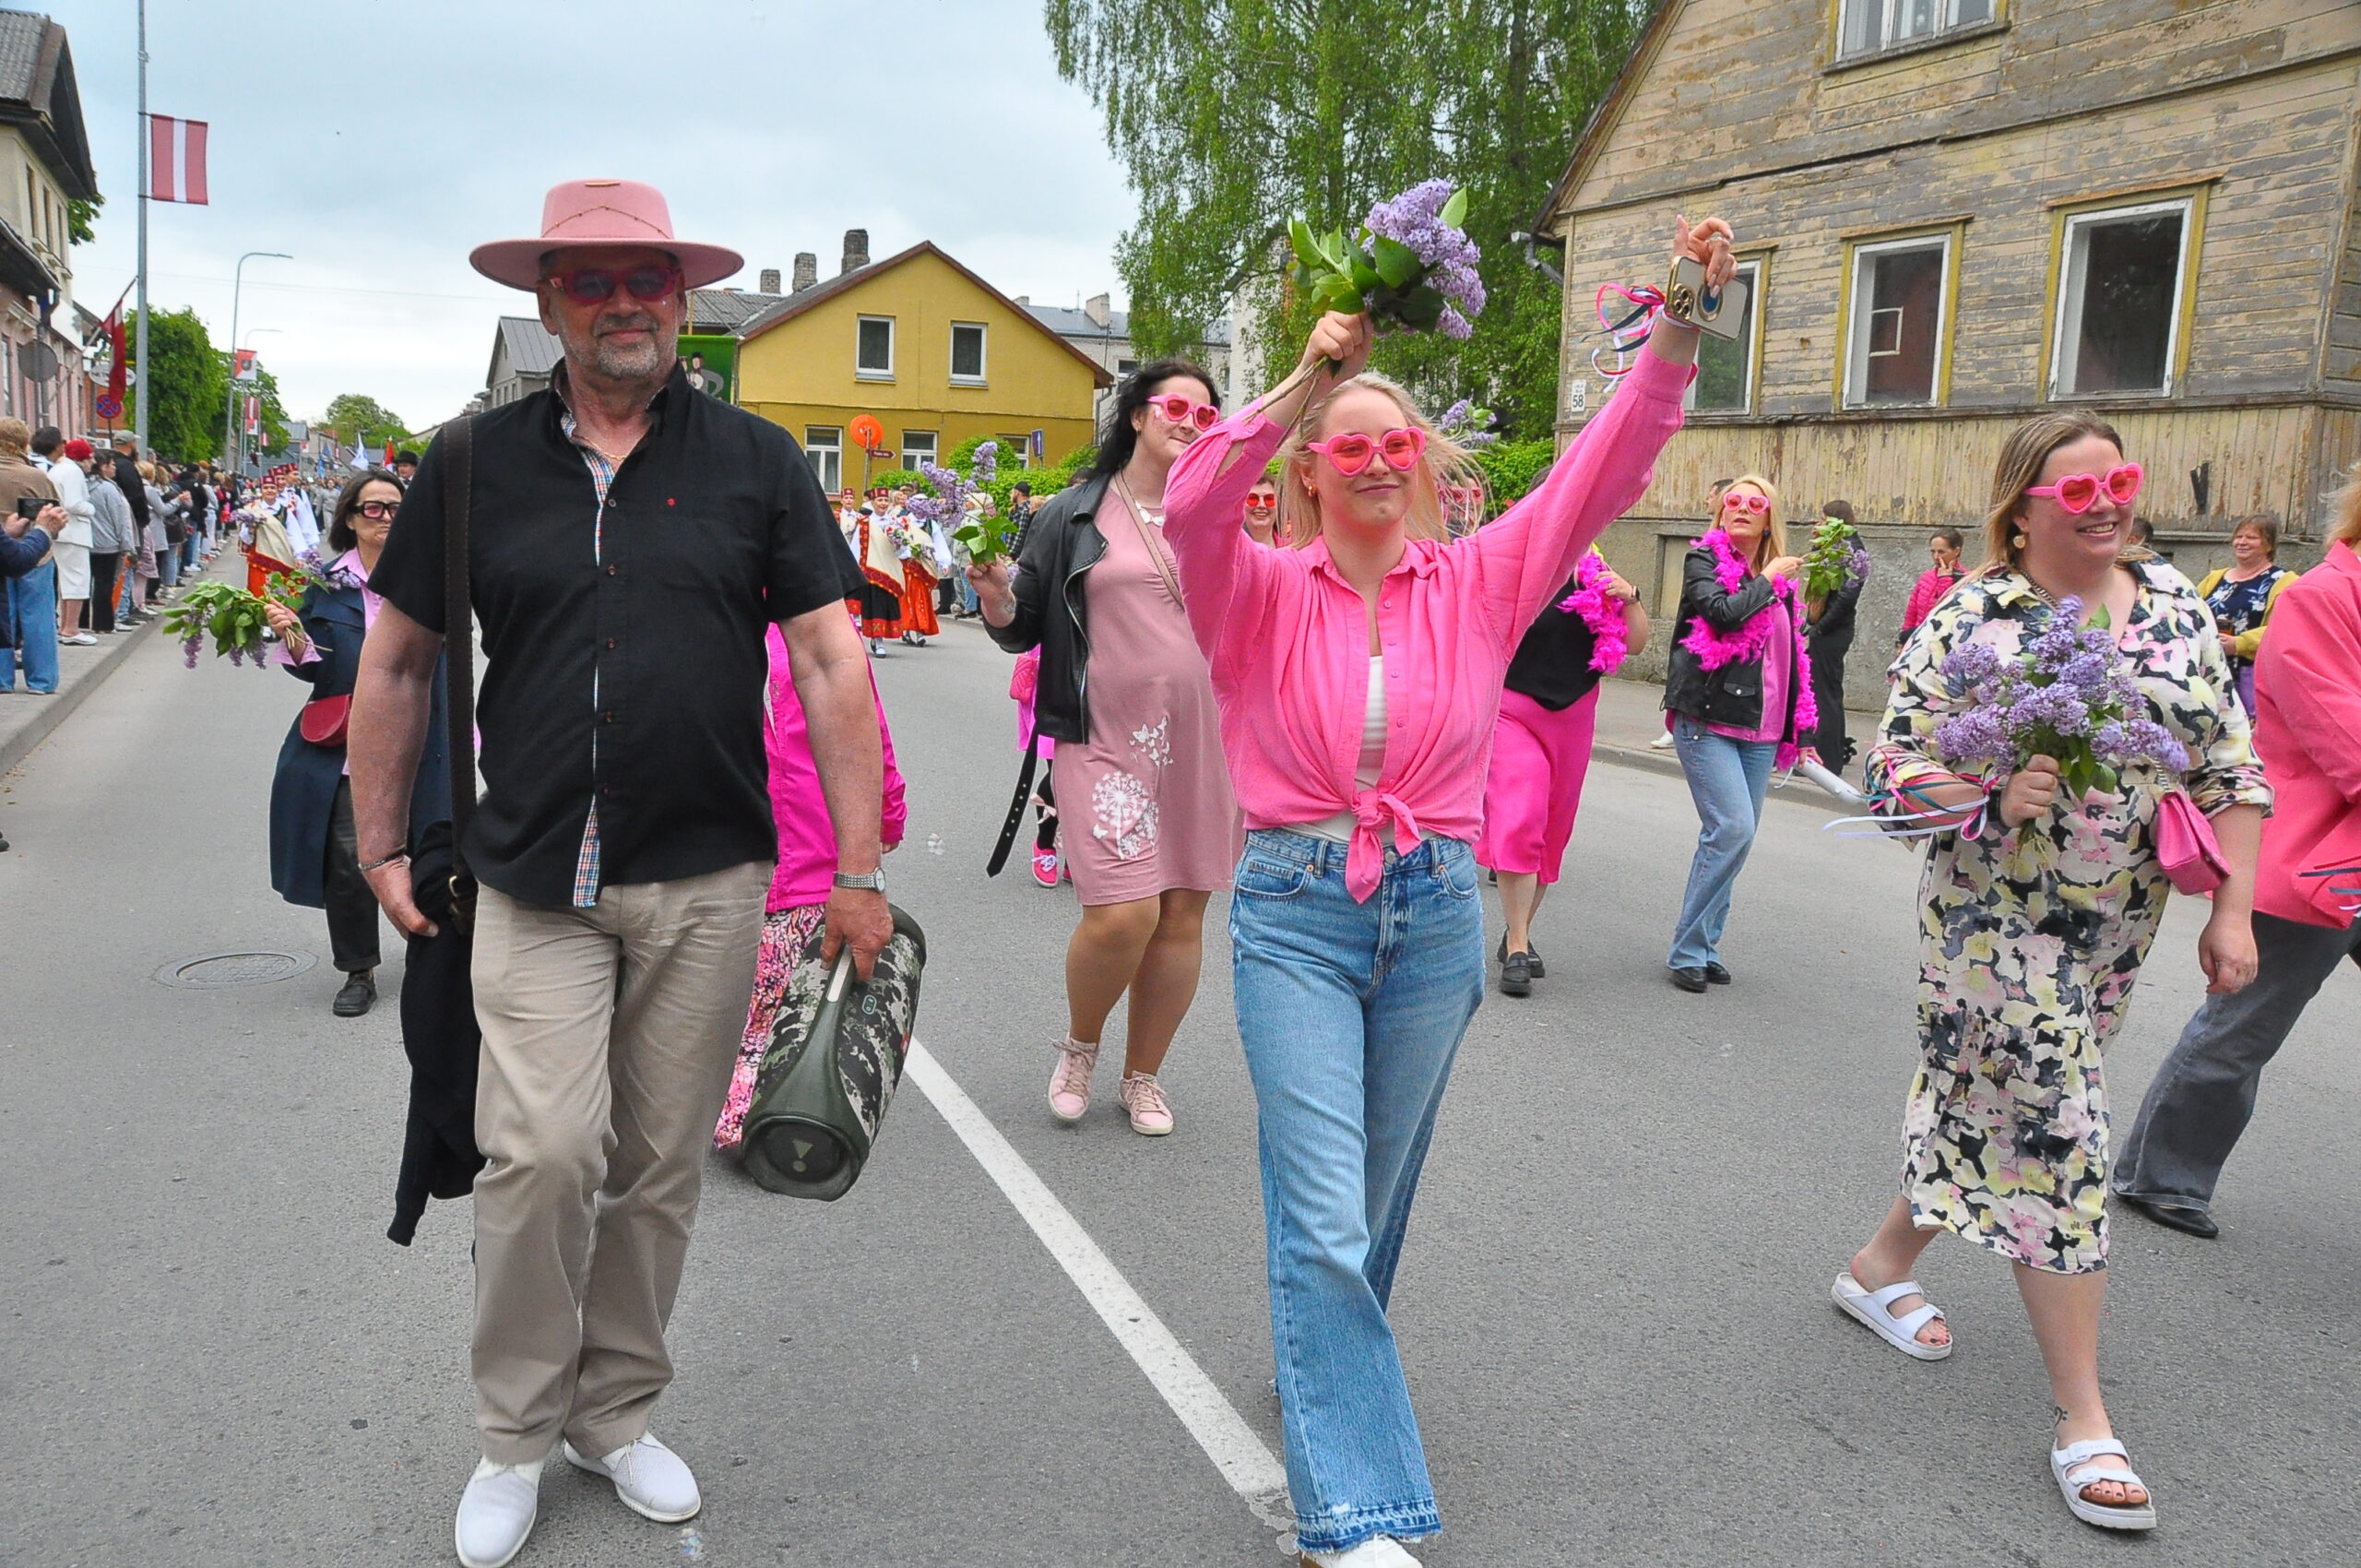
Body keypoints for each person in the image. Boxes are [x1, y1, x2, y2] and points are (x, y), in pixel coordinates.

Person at [1159, 215, 1726, 1568]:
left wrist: (1680, 328)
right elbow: (1188, 500)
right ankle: (1353, 1513)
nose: (1373, 460)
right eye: (1345, 445)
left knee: (1368, 1199)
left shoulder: (1478, 582)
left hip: (1430, 909)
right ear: (1309, 470)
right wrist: (1308, 375)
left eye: (1393, 442)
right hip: (1295, 907)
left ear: (1421, 461)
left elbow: (1600, 471)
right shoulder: (1253, 591)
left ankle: (1316, 1369)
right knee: (1319, 1207)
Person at [346, 178, 884, 1568]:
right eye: (590, 282)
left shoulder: (758, 461)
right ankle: (514, 1433)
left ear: (683, 300)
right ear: (548, 304)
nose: (622, 303)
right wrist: (379, 841)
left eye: (646, 278)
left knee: (656, 1166)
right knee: (541, 1152)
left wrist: (859, 866)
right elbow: (397, 662)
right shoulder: (470, 462)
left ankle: (615, 1412)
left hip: (709, 875)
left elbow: (832, 660)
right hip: (533, 874)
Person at [1833, 412, 2268, 1535]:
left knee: (1989, 1107)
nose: (2105, 502)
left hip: (2117, 927)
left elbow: (2228, 763)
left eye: (2117, 480)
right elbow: (1888, 769)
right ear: (2021, 509)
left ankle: (1877, 1263)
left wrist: (2230, 911)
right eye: (2076, 491)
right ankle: (2083, 1417)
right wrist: (1980, 793)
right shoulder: (1973, 616)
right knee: (2057, 1126)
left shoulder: (2173, 602)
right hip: (1989, 924)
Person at [970, 357, 1241, 1140]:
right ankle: (1081, 1048)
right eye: (1175, 408)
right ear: (1138, 415)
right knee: (1124, 913)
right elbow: (1023, 620)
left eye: (1205, 414)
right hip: (1104, 736)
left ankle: (1142, 1075)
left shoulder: (1223, 512)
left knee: (1182, 911)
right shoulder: (1076, 511)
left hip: (1208, 741)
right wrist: (995, 597)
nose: (1190, 423)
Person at [2113, 467, 2361, 1237]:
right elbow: (2344, 735)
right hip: (2319, 851)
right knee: (2245, 1025)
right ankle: (2162, 1175)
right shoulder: (2321, 596)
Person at [714, 614, 908, 1149]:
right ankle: (755, 1098)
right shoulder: (722, 624)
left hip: (798, 852)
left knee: (776, 990)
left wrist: (886, 812)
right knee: (763, 989)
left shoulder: (813, 632)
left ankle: (756, 1100)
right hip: (760, 851)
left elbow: (866, 726)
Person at [263, 471, 445, 1018]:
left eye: (396, 507)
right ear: (349, 518)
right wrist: (293, 636)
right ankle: (358, 969)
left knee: (433, 852)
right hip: (348, 745)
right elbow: (313, 669)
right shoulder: (325, 586)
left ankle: (433, 958)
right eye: (373, 508)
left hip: (426, 736)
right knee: (349, 858)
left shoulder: (430, 578)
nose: (386, 517)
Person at [1661, 474, 1809, 992]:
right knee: (1732, 830)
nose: (1742, 507)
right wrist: (1766, 579)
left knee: (1736, 841)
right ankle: (1687, 951)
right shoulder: (1702, 560)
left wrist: (1802, 730)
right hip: (1708, 718)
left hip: (1762, 729)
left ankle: (1705, 946)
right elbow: (1722, 615)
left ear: (1770, 517)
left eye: (1755, 502)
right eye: (1734, 500)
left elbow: (1792, 660)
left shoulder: (1779, 578)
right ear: (1721, 512)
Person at [1478, 547, 1648, 996]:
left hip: (1574, 714)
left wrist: (1629, 597)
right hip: (1513, 709)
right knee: (1520, 815)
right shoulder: (1513, 568)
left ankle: (1518, 932)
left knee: (1553, 829)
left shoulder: (1598, 572)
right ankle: (1518, 946)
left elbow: (1635, 644)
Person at [2193, 517, 2296, 717]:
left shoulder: (2285, 581)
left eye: (2251, 538)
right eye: (2238, 537)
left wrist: (2239, 643)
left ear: (2269, 545)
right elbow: (2189, 610)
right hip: (2208, 668)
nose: (2242, 542)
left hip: (2249, 676)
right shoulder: (2215, 578)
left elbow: (2287, 628)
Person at [0, 429, 66, 705]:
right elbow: (56, 513)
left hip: (2, 552)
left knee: (3, 615)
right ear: (24, 443)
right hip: (35, 553)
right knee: (38, 617)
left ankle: (2, 679)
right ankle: (41, 680)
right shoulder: (35, 476)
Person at [1802, 498, 1866, 776]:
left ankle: (1828, 759)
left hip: (1833, 631)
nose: (1819, 523)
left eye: (1823, 518)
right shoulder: (1835, 546)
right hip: (1826, 627)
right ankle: (1831, 752)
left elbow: (1846, 598)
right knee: (1825, 691)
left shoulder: (1852, 551)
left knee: (1825, 694)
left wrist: (1820, 627)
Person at [34, 432, 95, 646]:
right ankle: (71, 628)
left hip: (61, 532)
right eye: (89, 457)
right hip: (74, 531)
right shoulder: (72, 471)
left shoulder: (57, 469)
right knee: (78, 580)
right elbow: (73, 503)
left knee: (66, 580)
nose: (92, 462)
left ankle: (65, 626)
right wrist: (91, 509)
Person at [85, 445, 135, 636]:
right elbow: (119, 518)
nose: (115, 467)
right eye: (112, 464)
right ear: (102, 466)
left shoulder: (83, 485)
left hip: (86, 540)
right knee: (104, 584)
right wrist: (126, 544)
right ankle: (103, 623)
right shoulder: (108, 488)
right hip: (108, 543)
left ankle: (82, 621)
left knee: (84, 583)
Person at [1898, 527, 1965, 647]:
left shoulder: (1966, 579)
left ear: (1956, 551)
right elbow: (1911, 614)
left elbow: (1947, 612)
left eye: (1941, 552)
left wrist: (1945, 580)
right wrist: (1903, 643)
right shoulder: (1926, 577)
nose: (1936, 557)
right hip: (1918, 641)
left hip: (1944, 644)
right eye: (1933, 552)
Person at [852, 496, 904, 653]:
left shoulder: (896, 522)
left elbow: (903, 550)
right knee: (876, 605)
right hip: (872, 570)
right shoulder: (865, 523)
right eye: (880, 500)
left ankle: (880, 638)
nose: (883, 504)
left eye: (886, 501)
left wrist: (899, 543)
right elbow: (856, 546)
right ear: (873, 503)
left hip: (890, 570)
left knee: (888, 605)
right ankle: (878, 640)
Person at [1242, 476, 1279, 545]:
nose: (1261, 505)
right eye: (1252, 498)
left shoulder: (1293, 547)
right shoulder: (1227, 547)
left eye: (1269, 499)